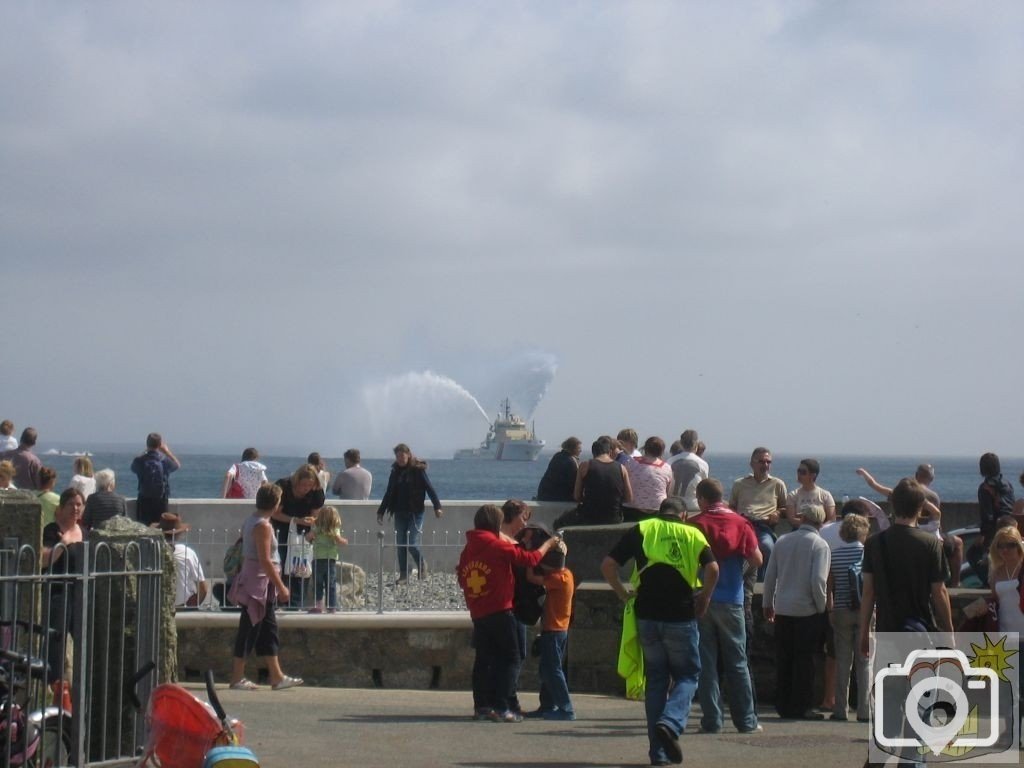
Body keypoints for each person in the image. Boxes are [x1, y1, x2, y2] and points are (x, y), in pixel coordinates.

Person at [601, 496, 719, 766]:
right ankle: (671, 721)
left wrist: (622, 594)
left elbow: (607, 566)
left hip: (647, 615)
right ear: (684, 515)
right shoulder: (692, 533)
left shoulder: (642, 528)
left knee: (656, 680)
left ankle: (659, 753)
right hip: (680, 614)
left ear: (660, 512)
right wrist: (705, 597)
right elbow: (713, 567)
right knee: (688, 675)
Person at [858, 478, 953, 768]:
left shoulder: (875, 543)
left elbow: (869, 593)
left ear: (891, 505)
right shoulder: (930, 544)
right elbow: (939, 593)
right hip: (921, 636)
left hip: (888, 636)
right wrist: (948, 635)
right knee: (920, 714)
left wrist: (864, 632)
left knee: (888, 713)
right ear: (921, 508)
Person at [457, 504, 562, 723]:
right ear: (496, 523)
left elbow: (462, 577)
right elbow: (530, 559)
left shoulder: (468, 549)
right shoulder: (495, 546)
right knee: (511, 657)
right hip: (500, 609)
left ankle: (482, 706)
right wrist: (550, 544)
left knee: (484, 660)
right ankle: (504, 707)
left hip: (478, 612)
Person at [689, 478, 762, 735]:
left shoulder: (696, 523)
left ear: (701, 499)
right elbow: (757, 558)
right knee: (738, 662)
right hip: (732, 598)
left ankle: (712, 720)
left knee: (706, 662)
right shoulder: (740, 523)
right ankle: (746, 721)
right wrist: (739, 574)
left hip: (702, 598)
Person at [228, 483, 303, 691]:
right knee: (249, 629)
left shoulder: (252, 520)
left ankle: (276, 676)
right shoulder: (263, 525)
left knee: (268, 630)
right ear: (276, 503)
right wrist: (282, 587)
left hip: (259, 582)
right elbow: (265, 559)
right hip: (258, 584)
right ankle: (236, 678)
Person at [762, 503, 830, 720]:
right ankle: (802, 706)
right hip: (806, 610)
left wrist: (767, 603)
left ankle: (783, 704)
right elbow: (818, 580)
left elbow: (770, 575)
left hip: (783, 608)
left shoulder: (782, 541)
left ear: (801, 518)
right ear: (820, 522)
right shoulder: (819, 545)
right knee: (805, 661)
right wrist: (821, 607)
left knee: (784, 659)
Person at [376, 444, 443, 584]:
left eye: (402, 455)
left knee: (411, 543)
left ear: (408, 455)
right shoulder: (395, 472)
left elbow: (429, 488)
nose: (400, 459)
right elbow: (388, 493)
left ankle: (421, 563)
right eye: (397, 456)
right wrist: (381, 511)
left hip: (415, 512)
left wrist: (437, 506)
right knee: (400, 544)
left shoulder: (417, 471)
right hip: (399, 512)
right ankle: (404, 575)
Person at [525, 541, 576, 721]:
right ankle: (547, 705)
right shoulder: (567, 575)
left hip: (554, 630)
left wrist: (531, 560)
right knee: (547, 669)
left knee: (553, 670)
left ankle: (566, 708)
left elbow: (532, 577)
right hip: (558, 630)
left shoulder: (556, 579)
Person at [42, 488, 85, 700]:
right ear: (61, 508)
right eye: (71, 504)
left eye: (79, 504)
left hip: (79, 593)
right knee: (56, 643)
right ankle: (54, 689)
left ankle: (79, 690)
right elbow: (44, 559)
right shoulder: (52, 530)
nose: (75, 508)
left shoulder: (85, 531)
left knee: (83, 641)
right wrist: (64, 542)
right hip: (57, 592)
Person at [827, 513, 870, 723]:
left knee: (843, 662)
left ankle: (840, 709)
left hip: (842, 610)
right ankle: (864, 710)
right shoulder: (869, 555)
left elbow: (830, 586)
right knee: (865, 663)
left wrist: (830, 610)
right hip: (866, 612)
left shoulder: (834, 555)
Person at [728, 447, 787, 579]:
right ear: (752, 464)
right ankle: (737, 580)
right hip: (743, 527)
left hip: (764, 527)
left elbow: (785, 508)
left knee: (767, 547)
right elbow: (731, 506)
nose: (765, 465)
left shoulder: (777, 484)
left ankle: (762, 582)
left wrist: (777, 513)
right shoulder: (740, 484)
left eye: (768, 462)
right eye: (761, 461)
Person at [271, 465, 325, 607]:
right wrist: (295, 520)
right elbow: (275, 513)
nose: (306, 488)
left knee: (301, 567)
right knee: (281, 564)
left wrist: (312, 527)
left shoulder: (316, 492)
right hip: (282, 529)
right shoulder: (283, 487)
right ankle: (279, 600)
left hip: (304, 533)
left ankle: (296, 602)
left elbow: (316, 515)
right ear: (297, 481)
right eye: (303, 485)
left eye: (310, 485)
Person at [568, 435, 631, 526]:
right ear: (609, 452)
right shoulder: (622, 468)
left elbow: (577, 496)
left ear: (593, 453)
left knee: (561, 523)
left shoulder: (585, 465)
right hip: (614, 518)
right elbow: (629, 498)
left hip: (589, 517)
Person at [154, 512, 207, 608]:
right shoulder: (188, 553)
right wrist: (192, 607)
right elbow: (203, 588)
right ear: (179, 534)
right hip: (183, 605)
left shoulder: (151, 551)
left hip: (156, 605)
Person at [130, 433, 181, 525]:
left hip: (144, 499)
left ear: (147, 444)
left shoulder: (140, 461)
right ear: (160, 444)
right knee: (161, 528)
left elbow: (133, 467)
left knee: (144, 528)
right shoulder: (164, 460)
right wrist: (167, 451)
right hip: (161, 500)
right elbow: (177, 465)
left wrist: (145, 451)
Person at [305, 506, 348, 613]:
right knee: (331, 583)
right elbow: (340, 541)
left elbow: (308, 537)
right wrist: (344, 541)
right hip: (330, 559)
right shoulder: (334, 529)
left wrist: (313, 535)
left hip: (318, 558)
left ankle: (319, 605)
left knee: (318, 583)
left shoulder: (316, 528)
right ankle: (331, 606)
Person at [622, 437, 674, 520]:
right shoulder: (667, 468)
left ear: (645, 448)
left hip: (633, 510)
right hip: (658, 510)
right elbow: (668, 492)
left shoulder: (631, 462)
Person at [987, 526, 1024, 634]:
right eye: (1001, 546)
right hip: (1005, 631)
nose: (1005, 550)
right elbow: (994, 600)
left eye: (1010, 545)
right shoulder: (996, 572)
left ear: (1018, 546)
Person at [978, 452, 1015, 548]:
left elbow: (987, 515)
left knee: (972, 554)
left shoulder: (985, 488)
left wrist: (984, 535)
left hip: (996, 529)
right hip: (1012, 526)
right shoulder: (1008, 484)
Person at [668, 429, 709, 515]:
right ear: (696, 444)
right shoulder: (702, 464)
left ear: (681, 444)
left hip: (673, 506)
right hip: (693, 507)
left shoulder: (670, 461)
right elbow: (704, 487)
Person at [785, 458, 836, 525]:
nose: (799, 474)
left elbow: (831, 519)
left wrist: (817, 528)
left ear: (813, 475)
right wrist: (811, 525)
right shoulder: (793, 495)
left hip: (820, 532)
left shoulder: (825, 495)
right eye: (798, 471)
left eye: (803, 472)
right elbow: (791, 519)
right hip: (799, 531)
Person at [535, 437, 582, 502]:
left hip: (543, 495)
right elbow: (574, 483)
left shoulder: (557, 456)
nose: (580, 450)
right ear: (572, 449)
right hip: (556, 497)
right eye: (579, 448)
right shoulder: (570, 462)